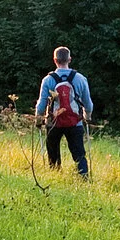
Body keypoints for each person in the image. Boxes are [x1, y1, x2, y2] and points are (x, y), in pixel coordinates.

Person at [32, 45, 93, 178]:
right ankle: (84, 179)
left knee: (53, 155)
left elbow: (41, 104)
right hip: (74, 122)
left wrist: (39, 119)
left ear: (55, 60)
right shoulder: (80, 79)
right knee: (79, 155)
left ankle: (55, 178)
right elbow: (88, 103)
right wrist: (87, 116)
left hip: (54, 123)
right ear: (69, 59)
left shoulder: (48, 80)